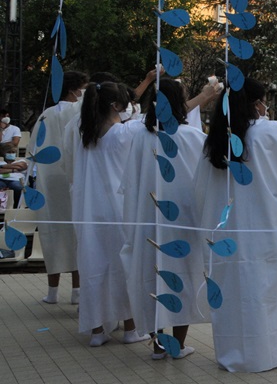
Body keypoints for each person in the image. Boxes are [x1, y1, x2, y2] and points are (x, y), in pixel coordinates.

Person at [197, 78, 277, 372]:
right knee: (265, 292)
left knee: (233, 294)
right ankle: (268, 353)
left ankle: (233, 351)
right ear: (256, 103)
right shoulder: (265, 132)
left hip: (225, 233)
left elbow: (199, 191)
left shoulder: (215, 141)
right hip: (264, 229)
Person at [120, 78, 206, 360]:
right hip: (182, 221)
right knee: (184, 275)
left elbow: (129, 181)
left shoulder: (141, 137)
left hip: (147, 219)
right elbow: (204, 178)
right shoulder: (191, 136)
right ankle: (177, 345)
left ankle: (158, 345)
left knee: (151, 276)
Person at [68, 76, 149, 346]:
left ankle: (96, 332)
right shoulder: (125, 133)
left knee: (93, 266)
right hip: (118, 211)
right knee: (124, 266)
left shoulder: (82, 133)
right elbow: (162, 123)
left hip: (88, 211)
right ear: (115, 105)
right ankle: (130, 328)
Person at [32, 70, 88, 304]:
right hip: (74, 179)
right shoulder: (80, 111)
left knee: (52, 233)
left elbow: (35, 149)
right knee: (77, 234)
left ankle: (52, 292)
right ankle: (77, 291)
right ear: (75, 89)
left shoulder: (46, 115)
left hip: (49, 180)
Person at [0, 142, 27, 209]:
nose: (11, 153)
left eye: (13, 152)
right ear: (4, 153)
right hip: (2, 180)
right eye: (9, 152)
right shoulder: (1, 162)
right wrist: (14, 170)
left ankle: (16, 207)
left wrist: (3, 167)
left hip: (16, 180)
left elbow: (22, 166)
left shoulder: (21, 160)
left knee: (18, 187)